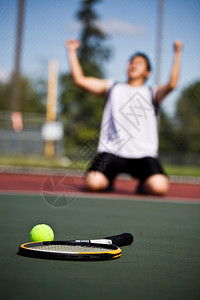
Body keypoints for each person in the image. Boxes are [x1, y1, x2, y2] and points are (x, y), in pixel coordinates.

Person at [65, 39, 183, 196]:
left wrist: (177, 53)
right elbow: (80, 80)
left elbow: (172, 84)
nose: (133, 65)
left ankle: (143, 184)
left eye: (139, 63)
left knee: (159, 187)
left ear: (147, 72)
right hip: (111, 152)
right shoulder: (112, 88)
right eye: (131, 62)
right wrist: (72, 51)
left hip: (142, 154)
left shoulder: (151, 93)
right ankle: (108, 182)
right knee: (93, 183)